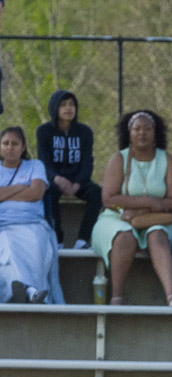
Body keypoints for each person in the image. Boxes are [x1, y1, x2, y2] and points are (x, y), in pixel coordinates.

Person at [90, 109, 172, 306]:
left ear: (155, 132)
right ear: (129, 133)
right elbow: (108, 198)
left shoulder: (167, 160)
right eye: (137, 128)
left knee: (157, 235)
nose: (142, 133)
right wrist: (149, 202)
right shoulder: (119, 159)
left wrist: (142, 211)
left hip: (158, 219)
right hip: (117, 217)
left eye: (147, 128)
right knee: (124, 236)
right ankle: (117, 297)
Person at [0, 126, 63, 304]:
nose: (10, 147)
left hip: (31, 223)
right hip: (3, 224)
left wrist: (4, 194)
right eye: (5, 143)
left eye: (15, 143)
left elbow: (36, 193)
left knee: (34, 242)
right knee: (9, 245)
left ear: (23, 147)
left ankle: (25, 289)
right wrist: (20, 187)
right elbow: (28, 191)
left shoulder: (35, 165)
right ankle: (30, 290)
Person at [36, 90, 102, 249]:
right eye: (63, 104)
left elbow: (87, 163)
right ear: (55, 108)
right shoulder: (44, 131)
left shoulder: (85, 132)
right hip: (55, 180)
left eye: (72, 104)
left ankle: (82, 239)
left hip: (78, 181)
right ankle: (57, 239)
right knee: (48, 192)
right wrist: (57, 179)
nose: (68, 108)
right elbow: (44, 161)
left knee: (96, 192)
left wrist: (78, 184)